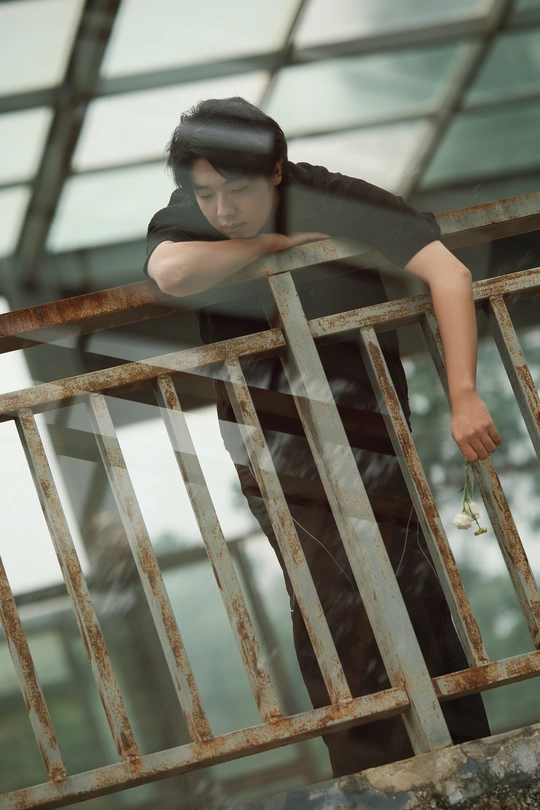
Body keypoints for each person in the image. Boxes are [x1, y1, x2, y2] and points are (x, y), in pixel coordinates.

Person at [144, 97, 501, 777]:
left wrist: (463, 395)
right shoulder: (193, 212)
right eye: (206, 194)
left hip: (367, 428)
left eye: (237, 191)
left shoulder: (329, 196)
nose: (221, 209)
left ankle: (462, 757)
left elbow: (449, 273)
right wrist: (270, 247)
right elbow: (171, 272)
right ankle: (372, 775)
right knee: (323, 594)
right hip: (270, 445)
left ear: (277, 171)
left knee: (410, 579)